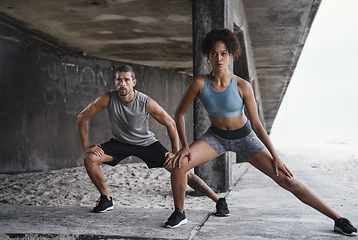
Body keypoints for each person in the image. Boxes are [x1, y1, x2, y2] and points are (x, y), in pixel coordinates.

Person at [164, 29, 357, 236]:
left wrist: (276, 157)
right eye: (213, 53)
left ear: (230, 54)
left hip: (244, 137)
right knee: (179, 165)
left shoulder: (242, 86)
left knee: (287, 180)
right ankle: (180, 213)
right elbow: (179, 114)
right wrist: (184, 147)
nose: (218, 58)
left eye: (223, 53)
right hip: (216, 137)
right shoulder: (199, 83)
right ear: (208, 56)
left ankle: (338, 218)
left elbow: (256, 124)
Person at [77, 65, 229, 218]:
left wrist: (175, 152)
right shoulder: (107, 98)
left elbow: (170, 123)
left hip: (146, 144)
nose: (122, 84)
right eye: (119, 80)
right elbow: (82, 117)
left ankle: (218, 200)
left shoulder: (144, 101)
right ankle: (106, 199)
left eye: (126, 80)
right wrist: (86, 146)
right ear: (115, 82)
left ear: (133, 82)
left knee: (180, 168)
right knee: (90, 159)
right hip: (119, 143)